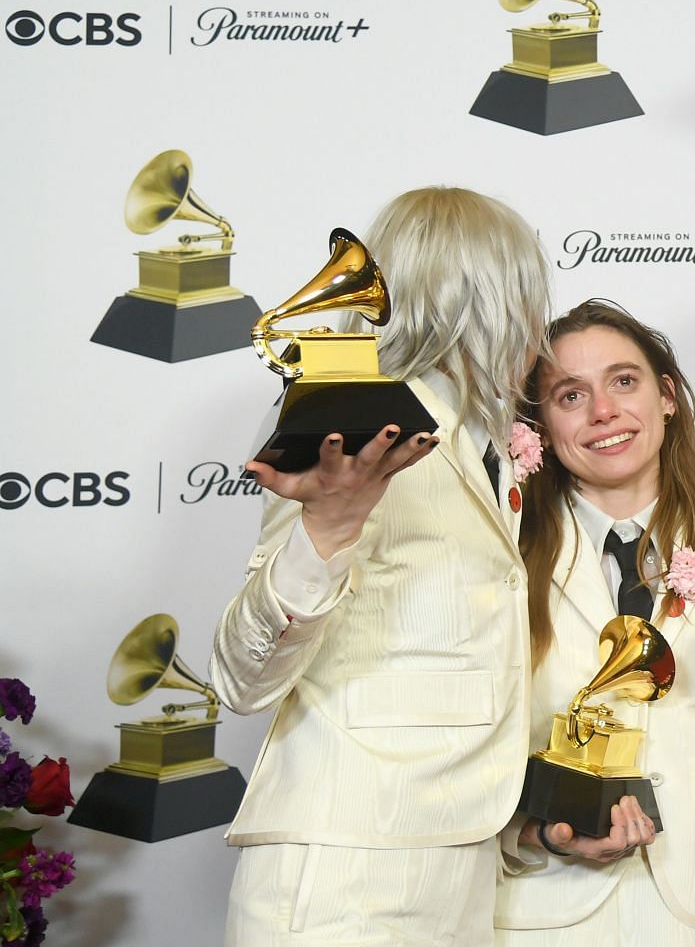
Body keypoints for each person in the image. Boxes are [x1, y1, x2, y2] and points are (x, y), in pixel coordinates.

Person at [210, 186, 552, 945]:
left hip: (457, 868)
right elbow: (242, 678)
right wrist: (326, 529)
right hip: (350, 876)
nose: (542, 326)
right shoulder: (356, 429)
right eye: (531, 295)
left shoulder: (481, 447)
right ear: (491, 300)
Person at [494, 300, 695, 946]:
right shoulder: (501, 562)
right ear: (538, 427)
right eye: (571, 395)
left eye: (624, 381)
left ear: (668, 396)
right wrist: (537, 832)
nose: (604, 412)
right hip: (541, 911)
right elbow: (470, 740)